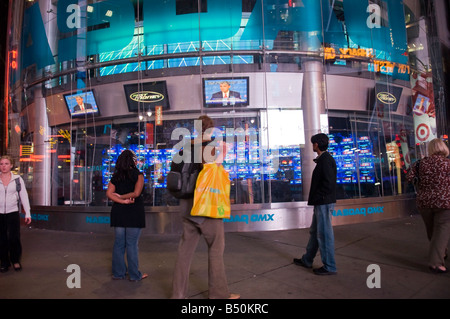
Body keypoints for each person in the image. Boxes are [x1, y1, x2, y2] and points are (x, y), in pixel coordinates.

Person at [171, 115, 239, 299]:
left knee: (184, 252)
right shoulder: (211, 147)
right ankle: (219, 295)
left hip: (186, 206)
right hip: (206, 207)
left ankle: (178, 295)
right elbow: (215, 172)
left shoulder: (182, 149)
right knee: (216, 249)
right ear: (211, 129)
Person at [293, 133, 338, 275]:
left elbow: (328, 183)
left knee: (324, 234)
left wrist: (319, 197)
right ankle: (307, 259)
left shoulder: (325, 160)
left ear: (317, 144)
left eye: (313, 143)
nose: (312, 145)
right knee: (315, 232)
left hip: (323, 203)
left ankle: (329, 266)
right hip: (322, 202)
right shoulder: (324, 159)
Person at [406, 138, 450, 273]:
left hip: (424, 201)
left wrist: (421, 184)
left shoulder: (420, 164)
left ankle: (440, 252)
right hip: (445, 202)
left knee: (432, 230)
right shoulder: (448, 164)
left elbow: (409, 177)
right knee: (442, 231)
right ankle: (436, 263)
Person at [106, 150, 148, 281]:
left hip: (119, 212)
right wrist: (125, 199)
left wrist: (121, 200)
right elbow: (136, 193)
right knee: (131, 244)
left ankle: (118, 273)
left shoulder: (116, 176)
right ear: (133, 161)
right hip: (134, 213)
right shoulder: (138, 175)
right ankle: (135, 275)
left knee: (119, 244)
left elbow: (109, 194)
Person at [0, 155, 31, 272]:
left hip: (12, 212)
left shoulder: (17, 179)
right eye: (1, 164)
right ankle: (4, 262)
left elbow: (24, 196)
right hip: (0, 213)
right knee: (1, 238)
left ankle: (16, 260)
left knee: (14, 237)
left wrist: (27, 213)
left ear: (11, 165)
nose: (4, 166)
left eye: (6, 164)